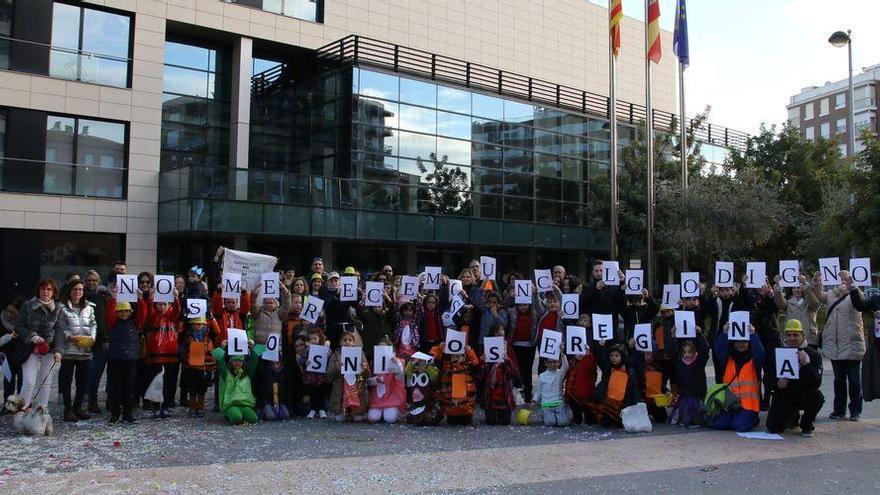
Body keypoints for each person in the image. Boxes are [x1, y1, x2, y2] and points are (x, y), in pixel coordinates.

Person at [815, 270, 870, 421]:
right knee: (838, 380)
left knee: (854, 381)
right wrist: (817, 280)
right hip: (835, 344)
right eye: (840, 277)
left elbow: (861, 303)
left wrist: (853, 287)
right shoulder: (831, 294)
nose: (842, 280)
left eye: (845, 277)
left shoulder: (856, 292)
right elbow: (819, 295)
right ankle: (839, 410)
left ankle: (855, 411)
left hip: (852, 344)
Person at [766, 320, 824, 437]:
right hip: (783, 395)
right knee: (773, 428)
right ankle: (792, 417)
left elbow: (817, 382)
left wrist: (806, 365)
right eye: (789, 335)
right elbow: (767, 378)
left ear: (803, 335)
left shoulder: (813, 354)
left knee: (817, 396)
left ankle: (807, 424)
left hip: (803, 395)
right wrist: (777, 383)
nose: (792, 338)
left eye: (795, 335)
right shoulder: (775, 353)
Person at [15, 279, 63, 410]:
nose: (45, 292)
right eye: (43, 289)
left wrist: (59, 350)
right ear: (38, 291)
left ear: (53, 292)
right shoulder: (27, 305)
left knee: (45, 382)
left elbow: (59, 330)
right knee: (29, 381)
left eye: (49, 289)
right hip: (29, 348)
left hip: (48, 348)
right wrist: (32, 336)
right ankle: (22, 410)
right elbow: (18, 326)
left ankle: (42, 411)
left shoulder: (58, 308)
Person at [56, 280, 97, 422]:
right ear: (70, 291)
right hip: (68, 350)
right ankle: (67, 410)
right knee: (66, 382)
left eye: (80, 289)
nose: (78, 292)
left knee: (82, 382)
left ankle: (78, 408)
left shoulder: (89, 307)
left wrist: (92, 337)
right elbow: (60, 327)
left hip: (84, 350)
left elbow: (93, 323)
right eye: (75, 289)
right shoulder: (62, 308)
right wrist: (69, 336)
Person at [712, 323, 765, 432]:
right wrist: (724, 333)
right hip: (730, 404)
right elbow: (719, 349)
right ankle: (737, 418)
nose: (741, 344)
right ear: (733, 343)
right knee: (719, 425)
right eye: (738, 342)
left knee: (738, 426)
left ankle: (753, 418)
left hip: (749, 406)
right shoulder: (728, 359)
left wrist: (753, 335)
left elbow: (761, 354)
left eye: (744, 341)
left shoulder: (754, 361)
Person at [105, 296, 148, 424]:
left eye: (126, 311)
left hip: (131, 360)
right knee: (115, 388)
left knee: (130, 388)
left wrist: (140, 299)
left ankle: (128, 413)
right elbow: (109, 313)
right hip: (115, 359)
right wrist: (113, 298)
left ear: (130, 312)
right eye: (120, 311)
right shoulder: (113, 323)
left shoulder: (135, 323)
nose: (124, 313)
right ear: (116, 312)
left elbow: (143, 313)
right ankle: (115, 413)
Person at [143, 288, 182, 418]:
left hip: (170, 355)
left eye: (164, 304)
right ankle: (155, 407)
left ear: (169, 305)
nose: (162, 306)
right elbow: (148, 312)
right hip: (155, 356)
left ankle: (166, 406)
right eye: (159, 303)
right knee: (155, 382)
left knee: (168, 382)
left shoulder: (171, 317)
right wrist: (150, 298)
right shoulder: (153, 317)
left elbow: (177, 311)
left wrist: (176, 298)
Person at [211, 339, 262, 425]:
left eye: (240, 360)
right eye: (235, 360)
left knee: (254, 419)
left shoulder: (247, 374)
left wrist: (252, 348)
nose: (237, 363)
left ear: (243, 362)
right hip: (231, 404)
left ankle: (239, 416)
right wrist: (222, 348)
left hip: (245, 404)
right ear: (231, 361)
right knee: (236, 418)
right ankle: (230, 415)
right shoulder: (226, 373)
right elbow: (220, 361)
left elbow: (254, 361)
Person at [432, 340, 480, 426]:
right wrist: (439, 349)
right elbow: (436, 362)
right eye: (454, 356)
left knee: (466, 421)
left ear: (464, 357)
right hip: (451, 408)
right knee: (452, 421)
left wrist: (470, 351)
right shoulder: (446, 367)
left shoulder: (468, 367)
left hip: (466, 407)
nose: (456, 358)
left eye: (459, 356)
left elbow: (476, 365)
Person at [327, 329, 371, 422]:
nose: (347, 342)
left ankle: (355, 412)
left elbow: (367, 375)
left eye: (350, 340)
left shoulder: (360, 354)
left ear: (353, 342)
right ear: (340, 342)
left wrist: (365, 368)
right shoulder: (335, 355)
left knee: (358, 418)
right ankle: (342, 412)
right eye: (344, 340)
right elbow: (328, 375)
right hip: (341, 387)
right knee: (340, 418)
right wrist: (336, 368)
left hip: (356, 386)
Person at [478, 325, 518, 425]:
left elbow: (514, 372)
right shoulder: (487, 347)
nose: (501, 332)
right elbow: (481, 375)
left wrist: (508, 360)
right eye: (498, 330)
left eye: (502, 329)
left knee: (505, 422)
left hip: (504, 389)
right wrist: (482, 361)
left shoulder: (508, 346)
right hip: (491, 391)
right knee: (491, 422)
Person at [669, 331, 710, 428]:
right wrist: (673, 337)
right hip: (684, 395)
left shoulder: (699, 362)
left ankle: (695, 420)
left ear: (694, 352)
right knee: (682, 413)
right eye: (684, 352)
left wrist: (700, 334)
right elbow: (671, 351)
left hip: (696, 396)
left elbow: (705, 349)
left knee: (692, 410)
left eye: (689, 352)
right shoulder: (679, 362)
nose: (687, 354)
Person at [593, 343, 640, 428]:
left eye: (617, 355)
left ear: (622, 357)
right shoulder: (608, 369)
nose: (613, 358)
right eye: (612, 355)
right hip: (610, 404)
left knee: (620, 425)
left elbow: (634, 390)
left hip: (624, 405)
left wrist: (635, 405)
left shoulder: (629, 371)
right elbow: (600, 360)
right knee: (604, 424)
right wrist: (600, 347)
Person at [506, 291, 541, 402]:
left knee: (528, 371)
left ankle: (528, 394)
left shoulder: (534, 313)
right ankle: (517, 394)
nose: (523, 307)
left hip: (529, 346)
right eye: (520, 305)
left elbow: (540, 306)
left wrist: (534, 294)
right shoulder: (512, 312)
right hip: (516, 345)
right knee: (517, 370)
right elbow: (504, 306)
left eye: (525, 305)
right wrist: (509, 297)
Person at [180, 315, 219, 417]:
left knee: (202, 388)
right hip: (192, 367)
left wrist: (212, 318)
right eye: (195, 324)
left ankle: (200, 407)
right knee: (192, 388)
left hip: (204, 367)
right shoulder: (187, 336)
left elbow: (217, 331)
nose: (197, 326)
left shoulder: (208, 337)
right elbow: (183, 349)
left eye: (200, 324)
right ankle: (192, 407)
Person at [83, 270, 110, 414]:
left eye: (94, 280)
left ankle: (92, 400)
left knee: (96, 373)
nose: (91, 283)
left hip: (100, 341)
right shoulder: (80, 295)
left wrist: (105, 339)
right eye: (89, 280)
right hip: (84, 339)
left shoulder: (103, 297)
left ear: (99, 282)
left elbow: (102, 320)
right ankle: (85, 399)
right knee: (86, 373)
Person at [773, 274, 821, 349]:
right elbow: (780, 303)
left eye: (799, 288)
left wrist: (805, 285)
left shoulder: (810, 302)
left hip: (809, 339)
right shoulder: (788, 303)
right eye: (794, 288)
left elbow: (815, 304)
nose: (796, 290)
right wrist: (778, 286)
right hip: (791, 339)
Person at [366, 337, 406, 423]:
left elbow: (401, 377)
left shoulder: (398, 362)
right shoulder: (374, 363)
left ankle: (397, 412)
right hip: (377, 397)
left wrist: (397, 365)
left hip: (392, 396)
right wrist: (375, 379)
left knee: (389, 418)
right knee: (373, 418)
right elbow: (368, 381)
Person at [405, 352, 443, 425]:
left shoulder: (429, 372)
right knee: (413, 417)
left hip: (427, 400)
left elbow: (434, 376)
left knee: (428, 417)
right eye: (419, 364)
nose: (420, 367)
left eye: (422, 364)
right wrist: (414, 362)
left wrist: (427, 366)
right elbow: (407, 371)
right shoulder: (414, 372)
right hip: (416, 401)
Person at [300, 328, 330, 419]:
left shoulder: (324, 349)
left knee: (321, 392)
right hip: (311, 377)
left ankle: (322, 409)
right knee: (312, 392)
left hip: (321, 376)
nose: (312, 341)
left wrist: (329, 356)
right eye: (310, 339)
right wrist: (305, 362)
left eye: (314, 338)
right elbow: (301, 360)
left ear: (319, 339)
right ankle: (313, 409)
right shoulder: (307, 350)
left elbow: (329, 360)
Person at [565, 347, 598, 425]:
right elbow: (568, 380)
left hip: (587, 395)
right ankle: (577, 417)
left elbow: (592, 365)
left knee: (589, 418)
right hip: (574, 395)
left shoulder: (589, 362)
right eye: (577, 352)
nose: (580, 354)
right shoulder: (572, 364)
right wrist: (567, 394)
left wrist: (588, 354)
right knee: (577, 415)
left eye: (582, 352)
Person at [534, 354, 570, 427]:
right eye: (550, 362)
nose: (553, 364)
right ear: (546, 363)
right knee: (550, 423)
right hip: (546, 404)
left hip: (558, 403)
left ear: (559, 363)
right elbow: (539, 391)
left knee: (564, 423)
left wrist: (562, 354)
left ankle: (559, 415)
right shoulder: (542, 376)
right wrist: (534, 400)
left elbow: (566, 366)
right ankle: (545, 415)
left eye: (555, 362)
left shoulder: (560, 373)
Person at [0, 296, 24, 403]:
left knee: (22, 379)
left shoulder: (24, 322)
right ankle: (7, 403)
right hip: (5, 353)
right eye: (7, 311)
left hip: (22, 353)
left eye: (13, 312)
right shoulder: (1, 319)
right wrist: (9, 336)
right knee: (8, 378)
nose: (9, 314)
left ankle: (21, 403)